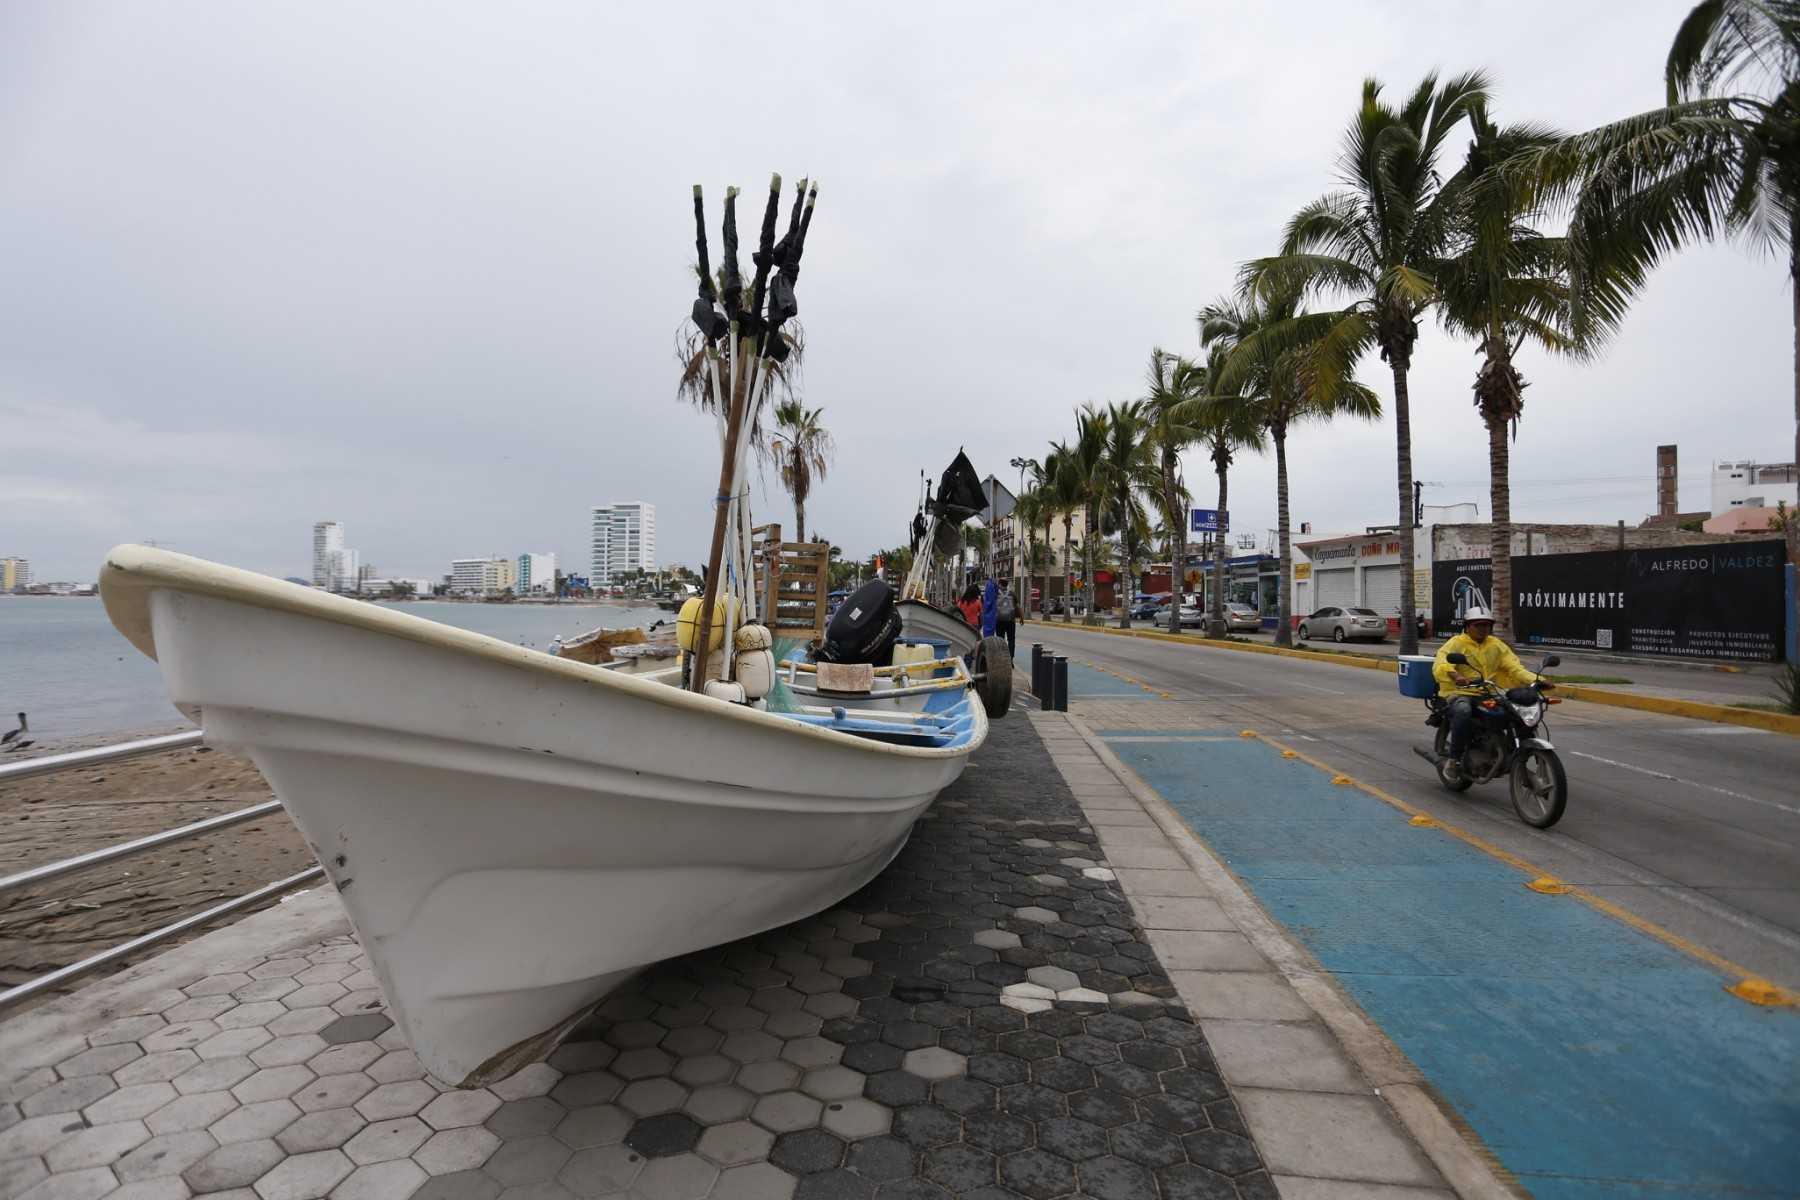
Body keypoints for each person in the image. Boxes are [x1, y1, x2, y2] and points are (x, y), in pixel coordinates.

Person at [1431, 604, 1547, 778]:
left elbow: (1514, 668)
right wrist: (1455, 675)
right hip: (1460, 692)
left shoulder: (1496, 645)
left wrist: (1538, 681)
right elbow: (1441, 663)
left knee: (1516, 710)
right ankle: (1454, 760)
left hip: (1489, 691)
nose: (1483, 629)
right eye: (1478, 625)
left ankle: (1512, 750)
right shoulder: (1456, 643)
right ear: (1467, 626)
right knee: (1463, 710)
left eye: (1486, 625)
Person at [994, 583, 1018, 655]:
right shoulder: (1012, 593)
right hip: (1010, 620)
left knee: (1000, 639)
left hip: (999, 620)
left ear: (1000, 585)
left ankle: (1002, 656)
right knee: (1011, 640)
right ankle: (1011, 657)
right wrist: (1022, 617)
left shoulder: (996, 594)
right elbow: (1017, 606)